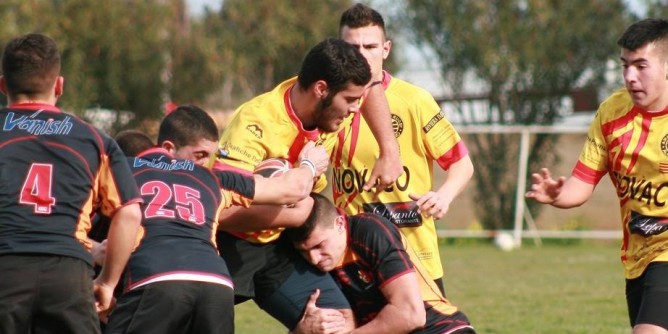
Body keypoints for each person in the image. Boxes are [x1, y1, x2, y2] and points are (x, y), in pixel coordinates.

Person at [212, 38, 393, 331]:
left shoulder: (333, 107)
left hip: (280, 246)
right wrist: (297, 212)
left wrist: (390, 151)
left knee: (337, 321)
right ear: (321, 89)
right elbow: (220, 212)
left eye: (357, 100)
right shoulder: (255, 121)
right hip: (226, 246)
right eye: (349, 100)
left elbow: (370, 88)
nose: (354, 110)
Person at [104, 105, 327, 333]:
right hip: (216, 284)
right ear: (168, 149)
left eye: (211, 157)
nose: (205, 164)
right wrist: (309, 164)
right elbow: (292, 190)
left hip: (157, 277)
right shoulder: (214, 179)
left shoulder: (122, 170)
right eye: (200, 156)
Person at [525, 18, 668, 334]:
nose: (630, 76)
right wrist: (557, 195)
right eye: (625, 66)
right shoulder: (612, 113)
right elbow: (582, 183)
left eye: (641, 66)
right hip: (638, 258)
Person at [0, 33, 142, 333]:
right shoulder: (94, 139)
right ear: (59, 85)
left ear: (3, 85)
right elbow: (129, 213)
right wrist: (107, 282)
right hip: (68, 273)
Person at [332, 3, 474, 294]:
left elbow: (462, 163)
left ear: (386, 49)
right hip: (351, 258)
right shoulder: (329, 105)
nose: (360, 54)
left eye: (370, 46)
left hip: (415, 256)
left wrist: (443, 196)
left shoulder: (415, 100)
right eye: (351, 46)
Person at [285, 193, 475, 334]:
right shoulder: (309, 262)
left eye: (319, 245)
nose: (314, 259)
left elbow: (410, 315)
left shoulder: (369, 231)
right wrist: (302, 329)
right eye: (304, 251)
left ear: (340, 224)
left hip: (440, 328)